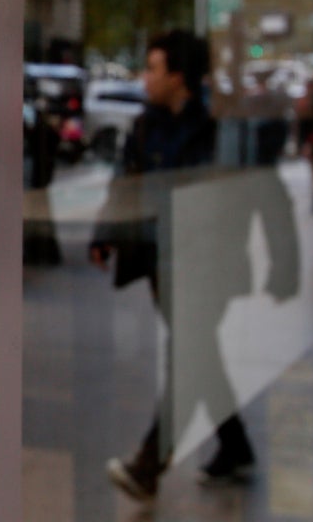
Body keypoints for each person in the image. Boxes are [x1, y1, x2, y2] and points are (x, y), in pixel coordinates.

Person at [89, 31, 258, 501]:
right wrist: (105, 236)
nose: (145, 78)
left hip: (207, 267)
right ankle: (236, 445)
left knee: (188, 359)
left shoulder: (218, 127)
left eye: (153, 68)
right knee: (200, 354)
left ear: (178, 78)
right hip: (161, 262)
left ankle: (148, 466)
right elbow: (124, 185)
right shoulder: (145, 125)